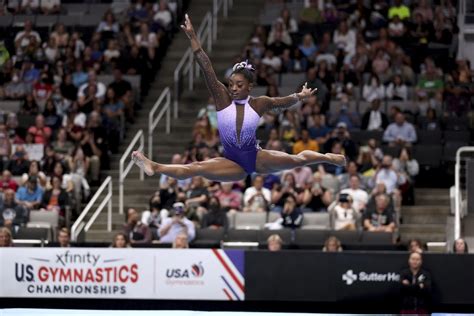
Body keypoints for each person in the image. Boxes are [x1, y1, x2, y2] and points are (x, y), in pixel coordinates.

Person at [131, 14, 345, 182]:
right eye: (231, 83)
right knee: (195, 169)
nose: (233, 88)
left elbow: (283, 102)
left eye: (239, 85)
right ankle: (154, 166)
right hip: (231, 161)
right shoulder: (222, 99)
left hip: (256, 158)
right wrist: (194, 38)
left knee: (298, 160)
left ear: (249, 86)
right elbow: (206, 68)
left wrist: (299, 96)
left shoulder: (259, 103)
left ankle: (327, 157)